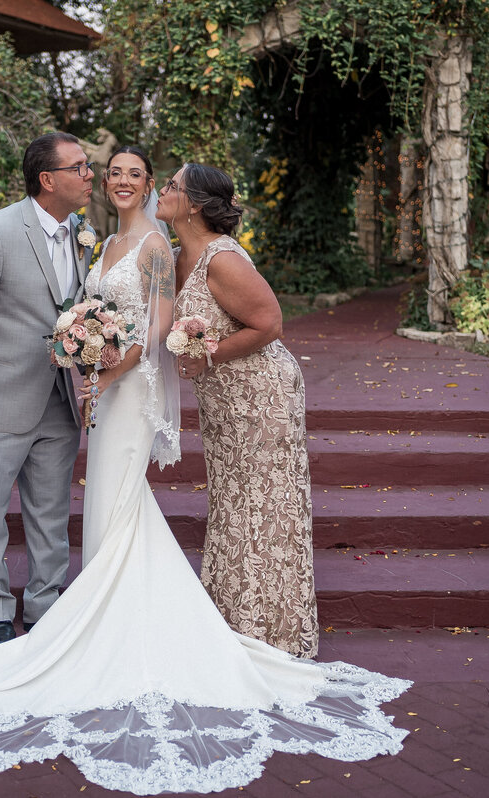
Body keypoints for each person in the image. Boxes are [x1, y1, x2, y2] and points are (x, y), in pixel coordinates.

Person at [0, 148, 410, 795]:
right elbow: (93, 315)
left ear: (149, 187)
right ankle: (97, 614)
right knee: (112, 505)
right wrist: (84, 350)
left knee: (115, 499)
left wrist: (106, 370)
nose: (119, 180)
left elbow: (156, 326)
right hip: (102, 391)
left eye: (137, 174)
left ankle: (114, 627)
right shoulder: (103, 240)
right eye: (110, 171)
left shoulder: (159, 249)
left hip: (131, 392)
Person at [0, 131, 95, 646]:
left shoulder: (82, 234)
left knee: (50, 512)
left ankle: (45, 602)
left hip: (58, 398)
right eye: (80, 167)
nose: (90, 175)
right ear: (49, 180)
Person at [163, 162, 319, 659]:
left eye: (171, 186)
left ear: (194, 204)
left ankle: (272, 634)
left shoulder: (222, 260)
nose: (162, 191)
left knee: (264, 505)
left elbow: (270, 323)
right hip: (223, 399)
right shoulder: (172, 256)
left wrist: (204, 356)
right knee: (233, 503)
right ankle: (232, 619)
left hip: (261, 394)